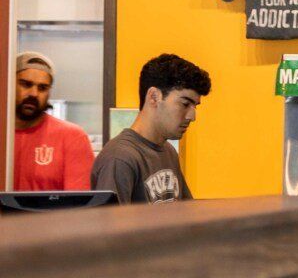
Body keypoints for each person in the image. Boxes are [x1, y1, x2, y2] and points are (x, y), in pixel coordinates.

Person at [91, 53, 208, 203]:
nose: (192, 116)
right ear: (154, 97)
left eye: (195, 106)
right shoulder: (119, 158)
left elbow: (188, 216)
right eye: (185, 104)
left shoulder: (168, 151)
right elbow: (110, 225)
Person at [12, 52, 94, 192]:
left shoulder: (72, 137)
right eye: (26, 84)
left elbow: (79, 206)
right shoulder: (5, 137)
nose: (34, 93)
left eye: (42, 88)